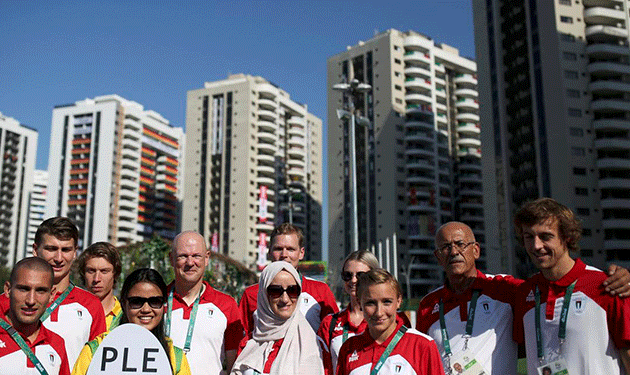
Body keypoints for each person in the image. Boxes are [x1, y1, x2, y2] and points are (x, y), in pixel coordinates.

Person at [416, 221, 630, 374]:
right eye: (445, 247)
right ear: (438, 257)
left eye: (460, 244)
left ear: (476, 251)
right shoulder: (428, 305)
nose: (453, 251)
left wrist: (621, 277)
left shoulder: (507, 289)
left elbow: (555, 285)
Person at [513, 198, 630, 374]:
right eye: (529, 237)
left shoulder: (608, 285)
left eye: (546, 237)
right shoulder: (524, 293)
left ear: (566, 237)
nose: (536, 246)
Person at [0, 217, 106, 367]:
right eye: (51, 249)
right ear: (36, 250)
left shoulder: (92, 305)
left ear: (75, 252)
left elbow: (98, 360)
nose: (58, 258)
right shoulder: (7, 300)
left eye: (66, 250)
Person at [72, 268, 191, 375]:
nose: (146, 309)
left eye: (155, 301)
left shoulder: (175, 357)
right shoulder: (95, 349)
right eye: (136, 302)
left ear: (164, 305)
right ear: (124, 304)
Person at [337, 269, 444, 375]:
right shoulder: (348, 348)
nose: (379, 312)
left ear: (399, 301)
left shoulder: (422, 345)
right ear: (359, 303)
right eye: (370, 303)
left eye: (386, 302)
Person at [240, 223, 338, 336]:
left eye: (290, 249)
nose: (284, 255)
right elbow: (243, 340)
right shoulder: (251, 294)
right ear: (269, 252)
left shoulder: (321, 291)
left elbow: (332, 336)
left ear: (301, 253)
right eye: (278, 249)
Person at [167, 231, 243, 375]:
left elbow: (235, 366)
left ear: (207, 258)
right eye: (183, 256)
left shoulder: (227, 305)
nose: (190, 263)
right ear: (171, 259)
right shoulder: (156, 303)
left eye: (196, 256)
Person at [231, 261, 324, 375]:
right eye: (275, 291)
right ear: (264, 295)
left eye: (292, 290)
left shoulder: (312, 344)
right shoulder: (249, 343)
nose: (285, 299)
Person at [0, 257, 70, 375]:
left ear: (52, 295)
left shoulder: (57, 343)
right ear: (8, 289)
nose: (31, 300)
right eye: (24, 289)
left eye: (40, 291)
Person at [76, 242, 122, 330]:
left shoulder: (125, 315)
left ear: (115, 274)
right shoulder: (72, 312)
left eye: (104, 271)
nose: (96, 279)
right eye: (91, 271)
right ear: (83, 273)